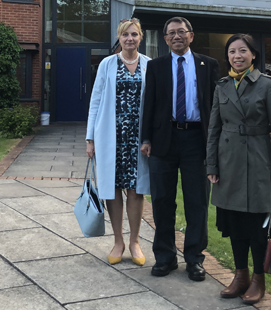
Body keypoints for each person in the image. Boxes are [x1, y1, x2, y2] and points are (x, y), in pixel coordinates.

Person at [206, 33, 271, 304]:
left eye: (242, 51)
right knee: (234, 224)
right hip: (228, 163)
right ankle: (240, 276)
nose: (237, 56)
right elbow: (213, 129)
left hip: (257, 162)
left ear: (253, 55)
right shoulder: (222, 86)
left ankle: (257, 279)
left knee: (256, 227)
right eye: (232, 52)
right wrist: (212, 164)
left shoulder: (267, 85)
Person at [140, 16, 219, 281]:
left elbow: (215, 109)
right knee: (162, 201)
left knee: (197, 201)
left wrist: (215, 144)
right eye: (171, 33)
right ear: (165, 39)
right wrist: (146, 138)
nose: (176, 36)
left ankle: (195, 259)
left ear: (191, 35)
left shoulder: (209, 65)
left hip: (197, 141)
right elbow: (148, 104)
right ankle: (165, 257)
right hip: (164, 141)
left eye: (181, 32)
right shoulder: (156, 66)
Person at [86, 18, 151, 266]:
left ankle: (134, 241)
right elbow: (95, 101)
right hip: (110, 136)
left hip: (138, 138)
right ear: (119, 38)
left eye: (134, 34)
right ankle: (118, 241)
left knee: (136, 189)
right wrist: (90, 138)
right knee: (112, 189)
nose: (130, 39)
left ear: (140, 37)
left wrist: (150, 137)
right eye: (125, 35)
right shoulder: (107, 64)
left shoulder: (149, 64)